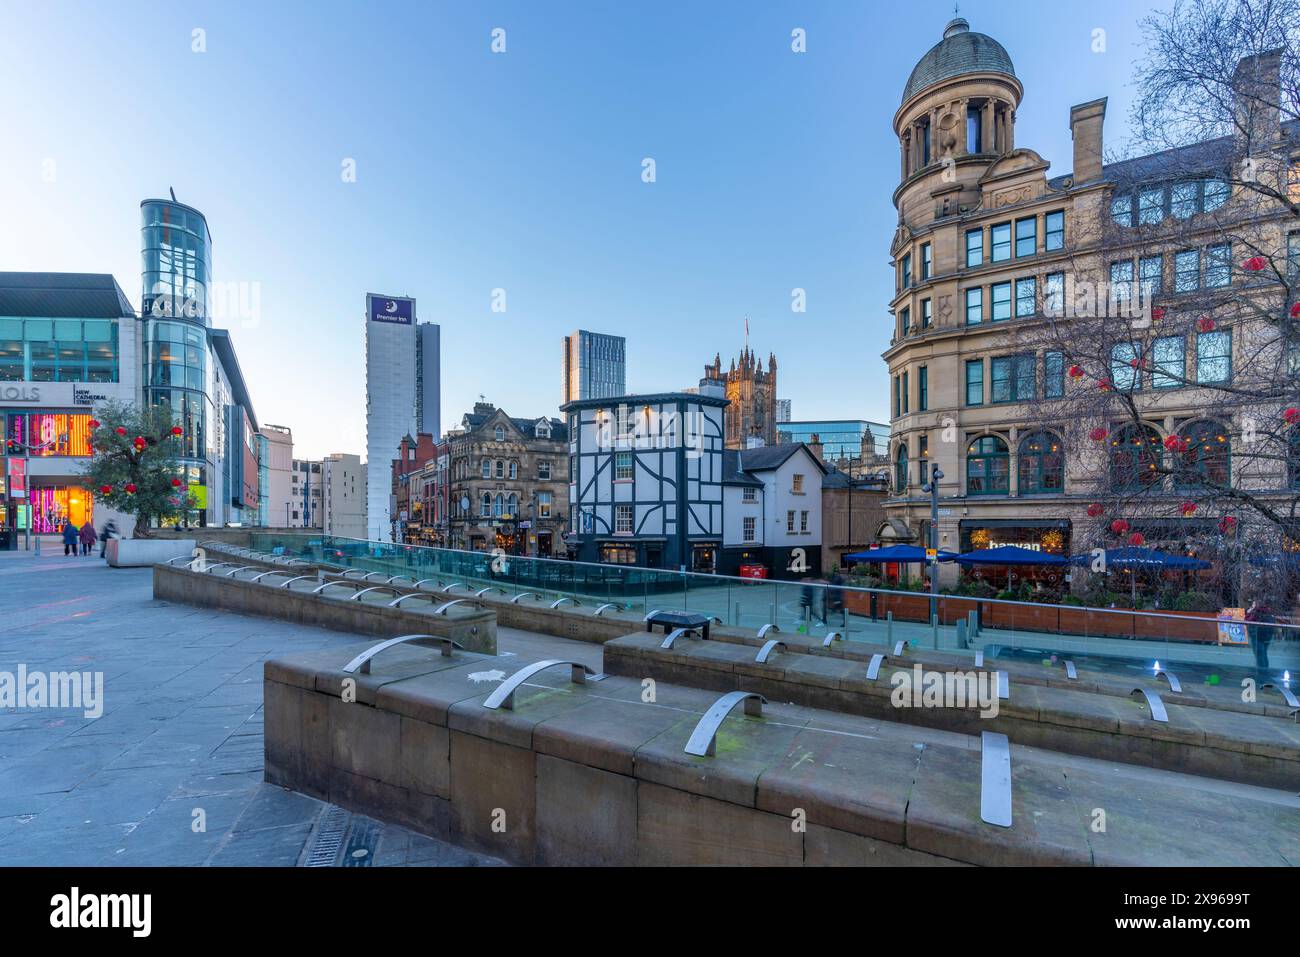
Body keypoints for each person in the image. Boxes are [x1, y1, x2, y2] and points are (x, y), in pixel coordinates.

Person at [1244, 595, 1278, 676]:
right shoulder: (1268, 611)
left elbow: (1247, 620)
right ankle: (1265, 671)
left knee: (1259, 656)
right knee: (1264, 655)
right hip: (1266, 636)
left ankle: (1262, 675)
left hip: (1257, 636)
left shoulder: (1257, 612)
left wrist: (1251, 610)